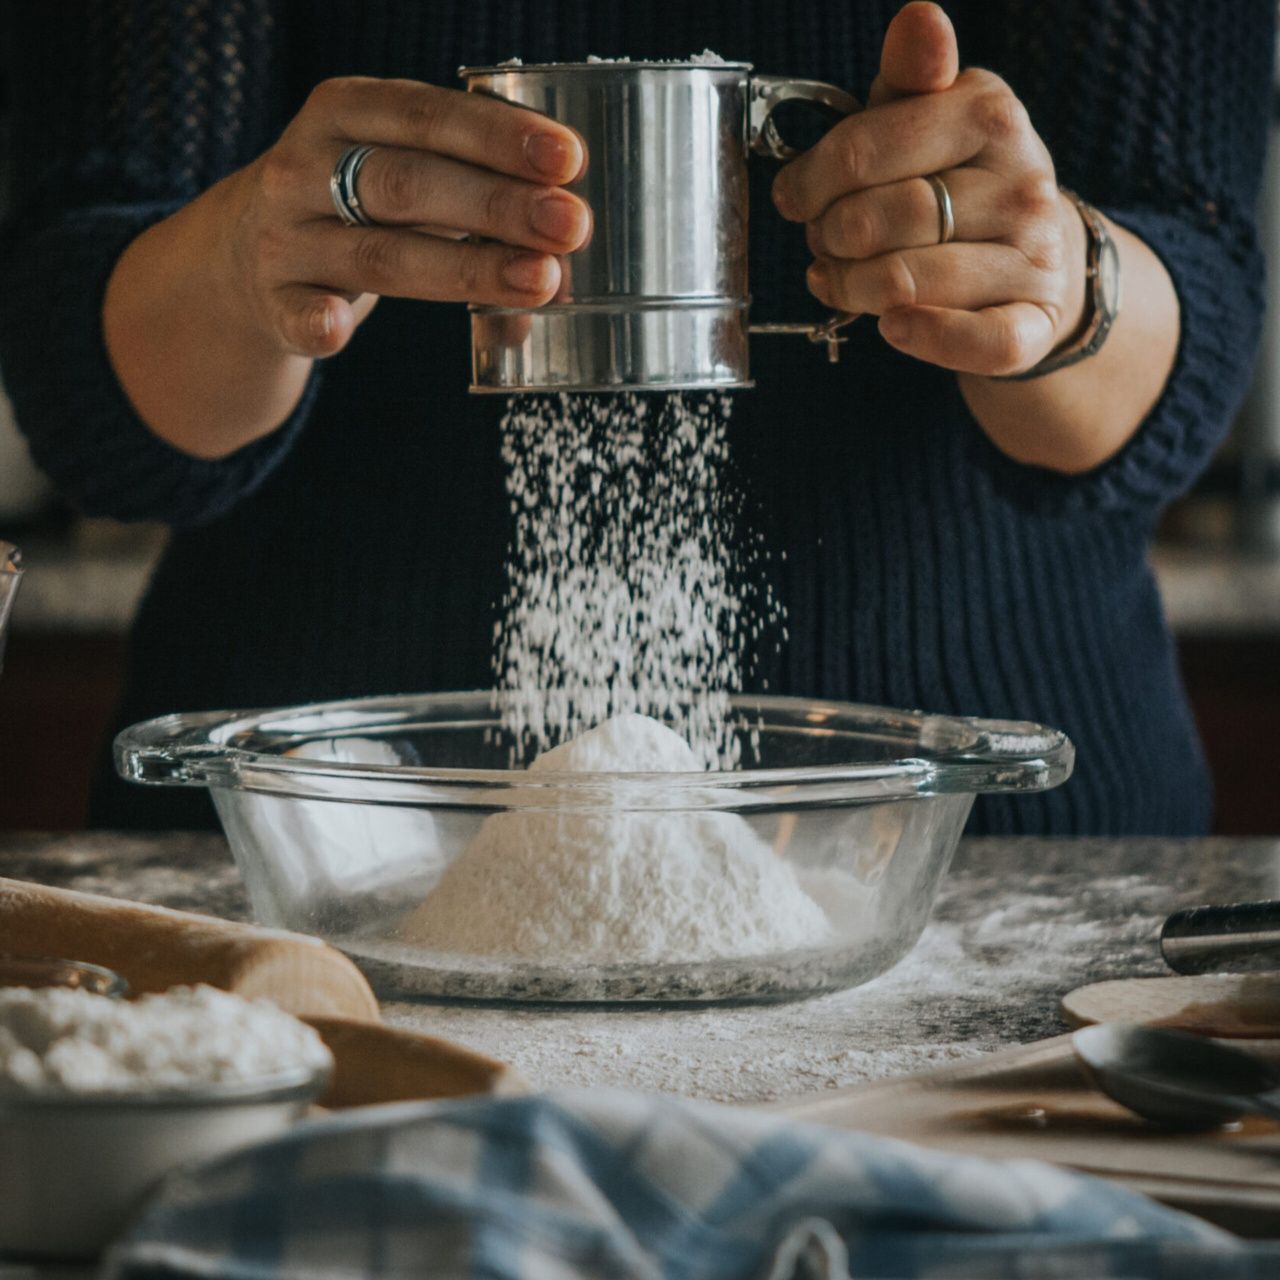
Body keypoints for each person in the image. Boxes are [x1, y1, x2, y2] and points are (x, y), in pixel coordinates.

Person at [0, 1, 1272, 834]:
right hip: (324, 855)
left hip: (978, 862)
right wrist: (236, 269)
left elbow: (1192, 288)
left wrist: (1055, 283)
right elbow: (89, 381)